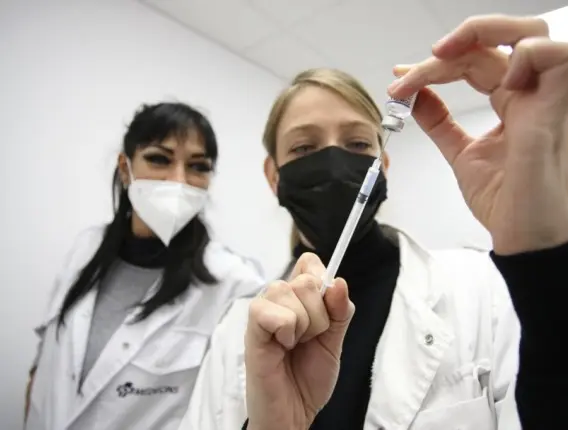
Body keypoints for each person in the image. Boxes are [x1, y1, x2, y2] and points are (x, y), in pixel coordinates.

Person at [180, 29, 526, 430]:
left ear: (384, 166)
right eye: (304, 148)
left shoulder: (479, 287)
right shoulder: (236, 330)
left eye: (358, 144)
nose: (332, 161)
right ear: (273, 176)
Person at [25, 102, 264, 430]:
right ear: (125, 169)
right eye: (159, 159)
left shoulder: (234, 284)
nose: (178, 180)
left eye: (198, 166)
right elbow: (42, 370)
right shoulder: (86, 248)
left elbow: (234, 412)